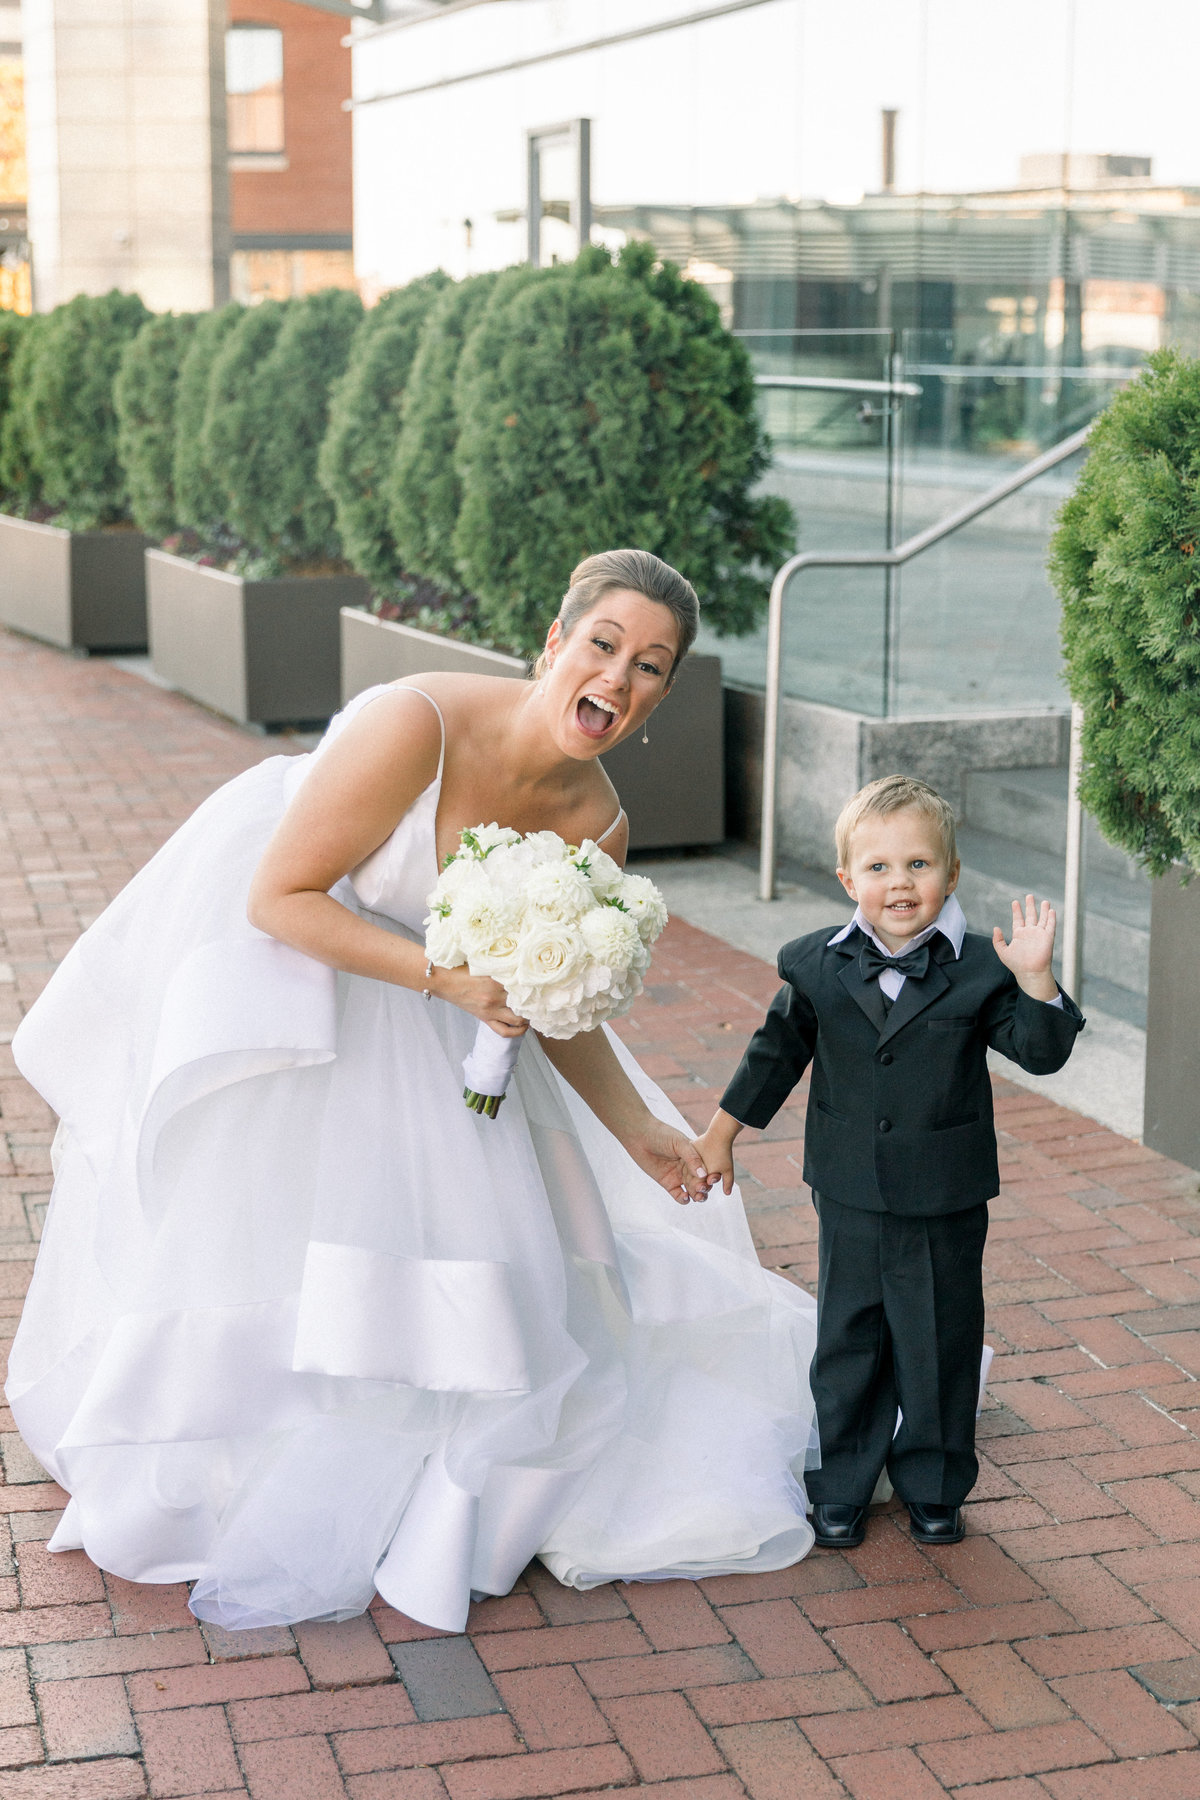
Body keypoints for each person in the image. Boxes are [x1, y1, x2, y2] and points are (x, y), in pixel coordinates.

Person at [7, 548, 819, 1634]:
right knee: (294, 1246)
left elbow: (552, 999)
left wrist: (636, 1130)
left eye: (652, 669)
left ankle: (438, 1479)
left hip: (455, 1031)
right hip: (315, 985)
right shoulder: (414, 725)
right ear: (555, 642)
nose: (620, 682)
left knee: (505, 1271)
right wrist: (445, 979)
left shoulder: (601, 824)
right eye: (605, 646)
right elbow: (280, 896)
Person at [694, 774, 1084, 1550]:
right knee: (850, 1340)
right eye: (878, 868)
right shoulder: (815, 964)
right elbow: (776, 1054)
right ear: (847, 879)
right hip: (848, 1189)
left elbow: (1039, 1055)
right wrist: (721, 1133)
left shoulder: (983, 968)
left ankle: (934, 1486)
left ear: (951, 874)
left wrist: (1037, 979)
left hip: (944, 1191)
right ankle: (841, 1484)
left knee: (939, 1340)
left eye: (918, 865)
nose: (899, 883)